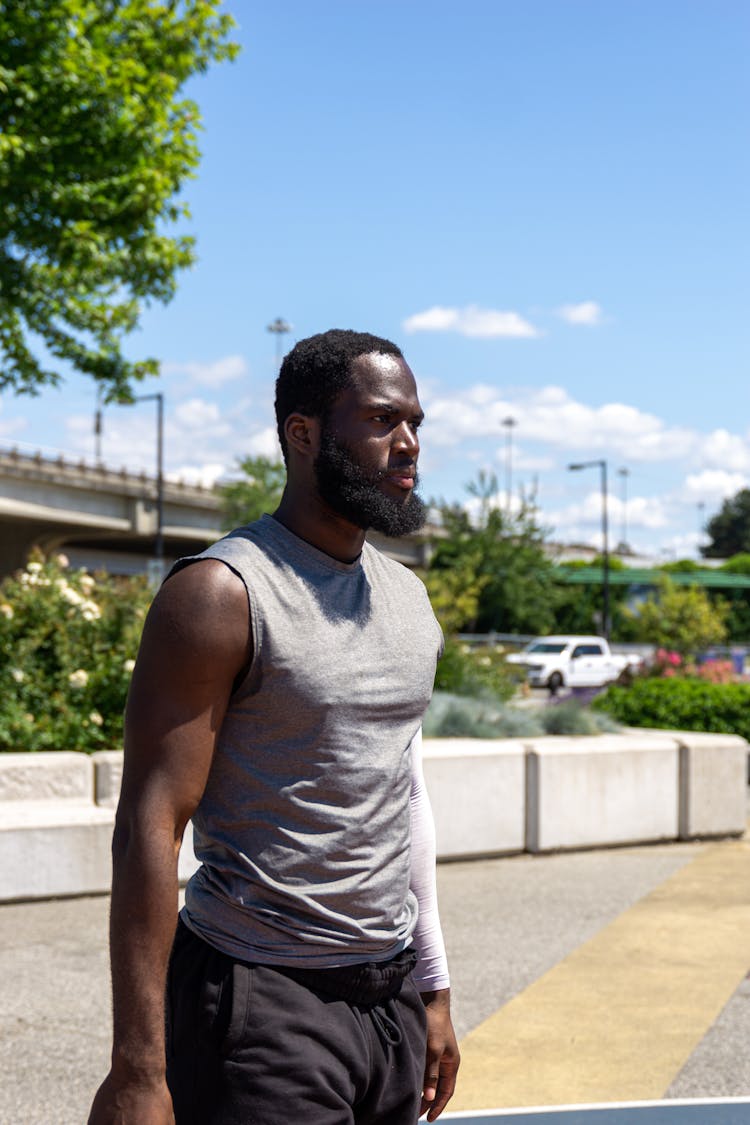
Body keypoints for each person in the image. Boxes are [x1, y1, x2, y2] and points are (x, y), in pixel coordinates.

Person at [88, 329, 460, 1125]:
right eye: (383, 420)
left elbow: (405, 797)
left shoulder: (408, 600)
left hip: (387, 996)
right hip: (259, 999)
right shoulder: (221, 593)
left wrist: (432, 986)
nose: (409, 446)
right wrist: (137, 1068)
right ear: (304, 434)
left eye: (417, 424)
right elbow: (149, 825)